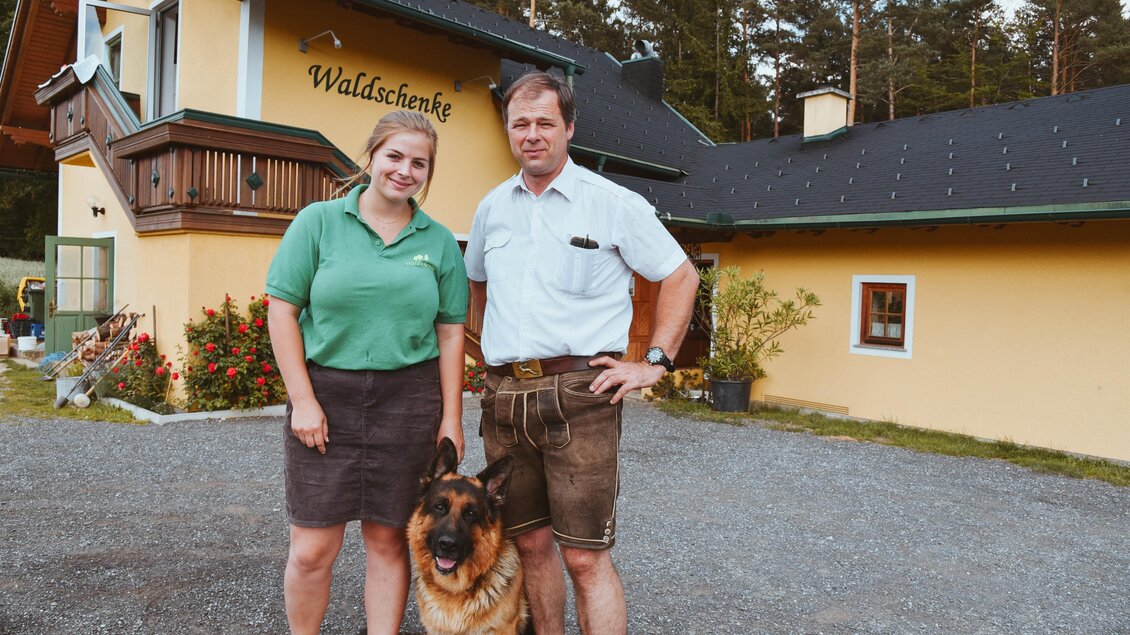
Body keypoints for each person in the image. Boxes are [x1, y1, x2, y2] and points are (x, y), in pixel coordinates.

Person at [464, 71, 699, 634]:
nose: (532, 134)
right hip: (504, 395)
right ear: (508, 131)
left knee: (584, 557)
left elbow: (680, 275)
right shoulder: (491, 208)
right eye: (520, 124)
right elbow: (477, 286)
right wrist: (486, 355)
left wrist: (654, 363)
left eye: (545, 122)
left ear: (569, 128)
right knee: (528, 545)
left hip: (580, 394)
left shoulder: (612, 203)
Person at [265, 110, 467, 635]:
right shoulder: (318, 222)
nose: (404, 170)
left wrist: (452, 418)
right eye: (394, 156)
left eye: (419, 163)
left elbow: (450, 333)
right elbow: (281, 311)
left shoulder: (439, 241)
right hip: (326, 397)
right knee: (312, 547)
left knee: (388, 541)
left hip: (408, 403)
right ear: (372, 156)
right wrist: (303, 400)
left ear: (428, 171)